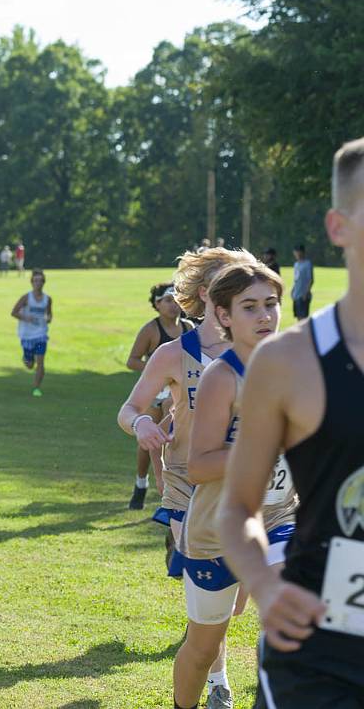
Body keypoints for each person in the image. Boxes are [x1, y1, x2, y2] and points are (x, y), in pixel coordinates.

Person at [219, 138, 364, 707]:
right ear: (339, 226)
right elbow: (237, 508)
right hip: (319, 648)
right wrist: (264, 584)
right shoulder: (289, 362)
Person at [117, 246, 255, 709]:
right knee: (208, 601)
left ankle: (212, 663)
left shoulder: (261, 350)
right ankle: (216, 681)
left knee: (234, 604)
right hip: (186, 487)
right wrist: (143, 424)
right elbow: (130, 407)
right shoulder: (175, 354)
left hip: (246, 487)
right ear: (208, 295)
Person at [171, 261, 293, 709]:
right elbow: (199, 466)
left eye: (270, 304)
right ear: (223, 315)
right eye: (249, 307)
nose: (264, 316)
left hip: (280, 516)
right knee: (202, 650)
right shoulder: (221, 378)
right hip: (216, 531)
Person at [124, 283, 193, 509]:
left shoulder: (189, 327)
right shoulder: (151, 330)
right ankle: (141, 483)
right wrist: (158, 370)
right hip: (155, 389)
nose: (174, 305)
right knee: (149, 439)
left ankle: (175, 481)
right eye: (168, 300)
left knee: (175, 423)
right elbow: (132, 360)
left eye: (177, 300)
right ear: (157, 304)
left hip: (179, 390)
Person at [11, 270, 52, 397]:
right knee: (29, 365)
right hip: (27, 335)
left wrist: (48, 318)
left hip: (41, 335)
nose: (38, 283)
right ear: (32, 282)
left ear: (44, 282)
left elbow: (50, 314)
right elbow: (14, 312)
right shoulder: (26, 298)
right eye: (35, 280)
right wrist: (25, 317)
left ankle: (37, 388)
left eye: (40, 280)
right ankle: (26, 358)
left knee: (40, 361)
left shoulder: (47, 299)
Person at [292, 243, 314, 320]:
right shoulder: (296, 264)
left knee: (303, 318)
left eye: (299, 251)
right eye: (296, 251)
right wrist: (293, 290)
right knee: (298, 317)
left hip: (303, 296)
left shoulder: (307, 264)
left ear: (303, 252)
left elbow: (310, 280)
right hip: (296, 295)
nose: (297, 253)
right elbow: (296, 279)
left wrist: (306, 293)